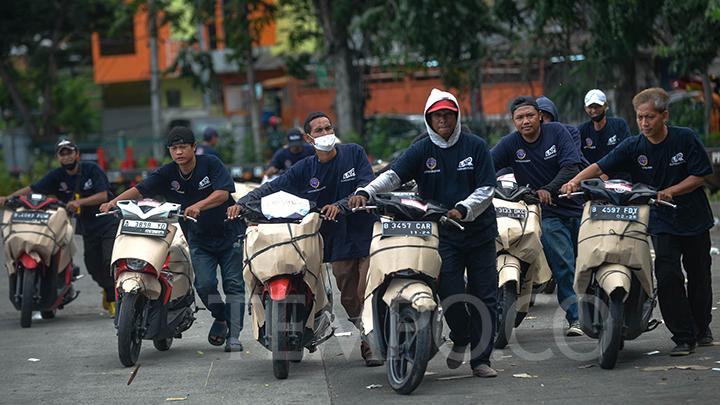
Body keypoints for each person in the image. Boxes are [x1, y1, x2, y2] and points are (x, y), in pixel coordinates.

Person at [348, 88, 499, 378]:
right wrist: (365, 190)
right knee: (449, 290)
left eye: (447, 114)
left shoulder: (476, 146)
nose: (443, 119)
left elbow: (487, 189)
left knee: (485, 295)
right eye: (437, 115)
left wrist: (463, 209)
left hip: (479, 231)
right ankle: (462, 334)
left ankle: (481, 360)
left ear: (456, 115)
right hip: (442, 234)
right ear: (429, 119)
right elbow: (393, 175)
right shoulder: (421, 149)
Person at [561, 87, 714, 356]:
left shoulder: (685, 139)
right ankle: (682, 336)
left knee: (699, 277)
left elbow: (701, 175)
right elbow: (601, 166)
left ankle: (701, 328)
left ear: (664, 115)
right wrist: (574, 181)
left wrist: (672, 191)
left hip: (694, 219)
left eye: (650, 117)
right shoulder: (634, 145)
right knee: (667, 276)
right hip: (660, 220)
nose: (644, 123)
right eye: (640, 117)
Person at [228, 112, 382, 366]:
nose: (325, 134)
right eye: (319, 131)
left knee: (367, 288)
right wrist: (242, 204)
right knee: (349, 296)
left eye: (327, 128)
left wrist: (342, 204)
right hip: (334, 240)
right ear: (309, 138)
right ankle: (365, 330)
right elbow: (272, 187)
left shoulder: (353, 153)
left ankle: (371, 343)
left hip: (366, 231)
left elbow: (366, 184)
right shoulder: (304, 169)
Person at [100, 127, 245, 352]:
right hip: (198, 238)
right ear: (169, 151)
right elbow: (140, 190)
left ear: (193, 147)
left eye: (183, 147)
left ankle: (234, 336)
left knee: (233, 284)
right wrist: (114, 202)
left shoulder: (211, 164)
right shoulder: (167, 173)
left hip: (229, 233)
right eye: (174, 148)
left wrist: (198, 206)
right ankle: (222, 317)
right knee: (204, 285)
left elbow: (223, 193)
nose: (179, 152)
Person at [491, 96, 585, 337]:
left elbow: (571, 167)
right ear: (513, 121)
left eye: (530, 116)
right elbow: (487, 166)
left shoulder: (557, 132)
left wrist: (548, 189)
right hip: (547, 212)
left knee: (588, 266)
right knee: (564, 264)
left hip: (576, 205)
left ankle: (605, 316)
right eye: (520, 118)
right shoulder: (510, 144)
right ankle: (575, 318)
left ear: (540, 116)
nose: (526, 121)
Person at [0, 139, 119, 316]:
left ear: (77, 154)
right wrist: (8, 198)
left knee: (108, 262)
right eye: (62, 153)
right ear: (58, 157)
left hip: (107, 222)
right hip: (88, 227)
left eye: (70, 152)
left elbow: (103, 195)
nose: (67, 156)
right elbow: (33, 189)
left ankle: (112, 298)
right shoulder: (56, 175)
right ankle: (106, 288)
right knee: (93, 266)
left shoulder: (92, 170)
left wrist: (79, 202)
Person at [578, 89, 632, 167]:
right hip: (591, 177)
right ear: (585, 108)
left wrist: (606, 173)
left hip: (617, 176)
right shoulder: (581, 130)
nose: (593, 110)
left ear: (606, 106)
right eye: (590, 107)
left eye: (597, 106)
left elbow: (626, 153)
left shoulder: (619, 125)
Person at [536, 95, 587, 166]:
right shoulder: (531, 139)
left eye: (547, 117)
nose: (544, 122)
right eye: (540, 118)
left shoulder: (570, 132)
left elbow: (574, 160)